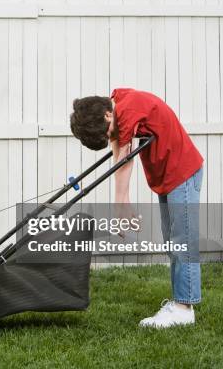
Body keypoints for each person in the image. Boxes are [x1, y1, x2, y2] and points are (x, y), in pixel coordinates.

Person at [69, 88, 203, 328]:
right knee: (173, 241)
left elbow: (124, 158)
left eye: (108, 132)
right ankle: (180, 303)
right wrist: (121, 206)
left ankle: (184, 309)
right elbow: (118, 151)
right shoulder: (116, 108)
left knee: (183, 241)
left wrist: (121, 208)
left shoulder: (128, 108)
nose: (112, 136)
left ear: (107, 116)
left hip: (182, 172)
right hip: (168, 176)